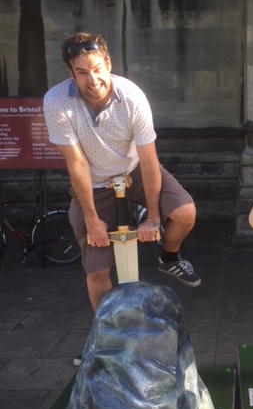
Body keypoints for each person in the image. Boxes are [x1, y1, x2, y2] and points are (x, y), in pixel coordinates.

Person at [43, 31, 201, 316]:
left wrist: (154, 217)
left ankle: (169, 257)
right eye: (82, 73)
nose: (93, 80)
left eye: (97, 69)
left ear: (108, 64)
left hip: (134, 168)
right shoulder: (56, 101)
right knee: (96, 271)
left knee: (185, 212)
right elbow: (76, 163)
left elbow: (149, 160)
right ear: (71, 73)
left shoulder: (131, 97)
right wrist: (92, 219)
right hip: (94, 181)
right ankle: (107, 333)